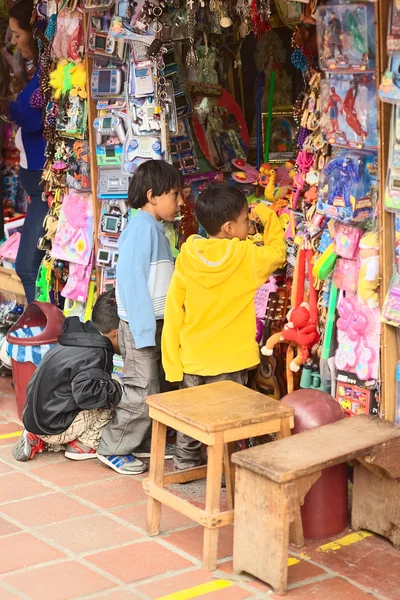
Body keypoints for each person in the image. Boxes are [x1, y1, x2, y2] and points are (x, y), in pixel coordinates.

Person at [161, 184, 286, 470]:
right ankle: (222, 471)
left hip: (191, 358)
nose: (248, 224)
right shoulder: (246, 257)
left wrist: (172, 362)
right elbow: (278, 252)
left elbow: (173, 311)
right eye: (245, 220)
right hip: (230, 360)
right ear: (230, 227)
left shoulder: (187, 257)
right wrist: (268, 216)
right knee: (225, 421)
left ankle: (185, 462)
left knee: (192, 417)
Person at [96, 160, 184, 474]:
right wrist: (146, 330)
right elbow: (132, 283)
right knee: (141, 388)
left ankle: (142, 442)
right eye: (175, 194)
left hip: (154, 323)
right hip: (140, 326)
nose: (180, 201)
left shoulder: (154, 228)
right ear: (152, 195)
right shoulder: (140, 229)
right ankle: (113, 446)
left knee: (153, 386)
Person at [13, 290, 123, 464]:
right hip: (53, 425)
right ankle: (83, 445)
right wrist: (119, 388)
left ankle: (38, 436)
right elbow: (88, 395)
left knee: (106, 387)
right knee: (114, 393)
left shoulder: (78, 337)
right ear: (117, 332)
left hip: (34, 417)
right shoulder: (97, 352)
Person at [8, 0, 47, 303]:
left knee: (27, 267)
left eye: (17, 34)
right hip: (37, 182)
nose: (13, 41)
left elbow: (34, 118)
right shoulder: (39, 71)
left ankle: (43, 327)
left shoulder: (46, 72)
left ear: (32, 34)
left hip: (43, 185)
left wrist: (7, 106)